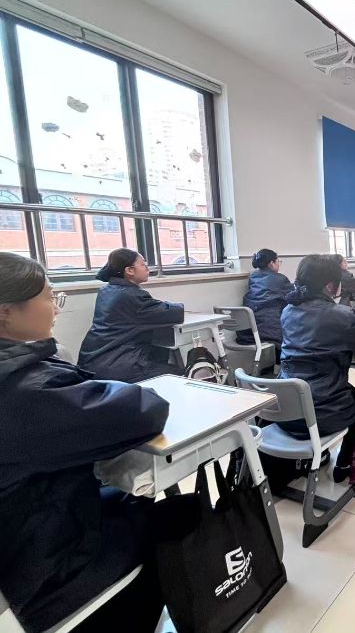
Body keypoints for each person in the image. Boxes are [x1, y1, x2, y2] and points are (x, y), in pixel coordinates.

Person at [0, 253, 168, 632]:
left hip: (19, 533)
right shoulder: (29, 391)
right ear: (6, 312)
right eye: (49, 297)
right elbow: (146, 409)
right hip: (39, 565)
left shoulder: (109, 292)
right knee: (172, 518)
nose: (56, 308)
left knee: (123, 495)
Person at [279, 255, 355, 483]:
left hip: (286, 411)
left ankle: (323, 454)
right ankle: (344, 464)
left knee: (336, 388)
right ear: (330, 286)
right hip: (324, 413)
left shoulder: (288, 311)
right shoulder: (341, 315)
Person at [78, 248, 185, 383]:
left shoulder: (106, 290)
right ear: (129, 270)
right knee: (179, 374)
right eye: (143, 264)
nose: (147, 268)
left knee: (159, 354)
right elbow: (174, 313)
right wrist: (177, 305)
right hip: (116, 366)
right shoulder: (131, 295)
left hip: (91, 364)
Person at [239, 248, 292, 349]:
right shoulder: (280, 279)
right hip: (270, 333)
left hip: (248, 334)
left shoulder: (253, 277)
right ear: (272, 263)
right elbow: (294, 297)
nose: (279, 264)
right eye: (278, 261)